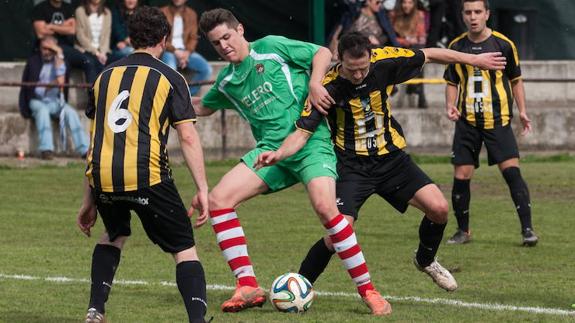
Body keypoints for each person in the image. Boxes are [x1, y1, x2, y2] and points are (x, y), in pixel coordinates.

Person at [253, 31, 506, 292]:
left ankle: (426, 260)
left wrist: (473, 61)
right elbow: (302, 133)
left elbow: (430, 53)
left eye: (363, 68)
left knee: (439, 209)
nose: (359, 75)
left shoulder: (385, 61)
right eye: (352, 70)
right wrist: (279, 154)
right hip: (352, 167)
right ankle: (299, 286)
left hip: (392, 160)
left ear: (371, 57)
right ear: (340, 61)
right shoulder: (327, 88)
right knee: (338, 233)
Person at [192, 8, 391, 316]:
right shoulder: (227, 81)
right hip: (271, 154)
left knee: (327, 209)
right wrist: (166, 98)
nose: (224, 46)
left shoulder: (270, 48)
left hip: (310, 144)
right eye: (216, 43)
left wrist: (314, 83)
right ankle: (247, 285)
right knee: (219, 200)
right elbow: (201, 108)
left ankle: (368, 291)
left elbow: (322, 53)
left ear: (240, 30)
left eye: (227, 37)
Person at [76, 6, 210, 323]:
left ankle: (95, 310)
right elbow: (189, 138)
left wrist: (88, 198)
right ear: (163, 39)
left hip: (104, 177)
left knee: (112, 235)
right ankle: (197, 320)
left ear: (131, 37)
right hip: (147, 176)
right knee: (184, 249)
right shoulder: (169, 77)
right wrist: (203, 188)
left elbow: (95, 140)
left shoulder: (103, 77)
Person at [443, 0, 538, 246]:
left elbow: (516, 79)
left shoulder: (503, 44)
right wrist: (450, 105)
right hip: (467, 123)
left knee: (512, 173)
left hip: (498, 120)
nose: (473, 17)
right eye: (468, 12)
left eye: (477, 12)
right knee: (461, 176)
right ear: (463, 15)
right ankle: (463, 231)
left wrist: (523, 111)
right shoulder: (457, 46)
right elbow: (452, 81)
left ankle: (528, 230)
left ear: (487, 14)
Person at [18, 35, 89, 160]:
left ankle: (84, 150)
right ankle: (46, 149)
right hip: (36, 101)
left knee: (71, 113)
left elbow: (61, 79)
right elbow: (37, 91)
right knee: (43, 111)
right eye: (44, 48)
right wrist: (52, 84)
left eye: (50, 49)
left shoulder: (60, 61)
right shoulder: (33, 61)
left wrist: (59, 53)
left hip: (54, 102)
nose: (47, 52)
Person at [32, 0, 100, 84]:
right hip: (48, 48)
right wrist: (64, 25)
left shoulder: (68, 8)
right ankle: (62, 97)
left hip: (67, 48)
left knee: (89, 61)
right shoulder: (40, 8)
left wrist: (50, 26)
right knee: (65, 68)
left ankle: (93, 94)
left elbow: (72, 30)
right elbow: (40, 33)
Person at [160, 0, 212, 96]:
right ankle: (171, 99)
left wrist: (187, 53)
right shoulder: (163, 12)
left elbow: (193, 37)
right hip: (168, 50)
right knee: (171, 71)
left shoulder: (191, 14)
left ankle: (186, 96)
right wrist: (175, 51)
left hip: (185, 51)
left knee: (206, 69)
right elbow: (160, 37)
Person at [328, 0, 399, 61]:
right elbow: (344, 33)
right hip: (353, 51)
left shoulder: (381, 17)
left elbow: (388, 36)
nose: (380, 5)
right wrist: (367, 38)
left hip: (376, 53)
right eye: (377, 2)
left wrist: (378, 40)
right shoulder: (354, 14)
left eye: (381, 3)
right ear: (368, 2)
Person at [390, 0, 428, 108]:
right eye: (404, 2)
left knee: (420, 54)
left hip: (414, 47)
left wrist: (413, 40)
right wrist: (404, 41)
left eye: (410, 3)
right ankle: (416, 91)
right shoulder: (394, 15)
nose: (407, 5)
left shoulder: (419, 14)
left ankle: (419, 93)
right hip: (398, 46)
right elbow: (391, 35)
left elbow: (422, 36)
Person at [74, 0, 112, 83]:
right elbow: (80, 36)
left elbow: (107, 36)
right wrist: (96, 53)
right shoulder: (80, 11)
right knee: (92, 63)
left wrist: (103, 52)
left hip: (103, 51)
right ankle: (92, 94)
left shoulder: (107, 12)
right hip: (86, 49)